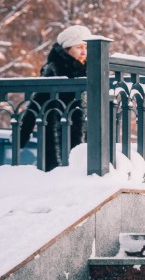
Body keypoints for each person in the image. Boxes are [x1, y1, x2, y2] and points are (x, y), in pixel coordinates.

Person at [20, 24, 92, 171]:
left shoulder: (91, 68)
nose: (84, 52)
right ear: (67, 49)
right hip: (58, 132)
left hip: (85, 133)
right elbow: (37, 101)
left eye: (86, 47)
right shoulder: (54, 68)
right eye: (79, 47)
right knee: (62, 172)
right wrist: (23, 133)